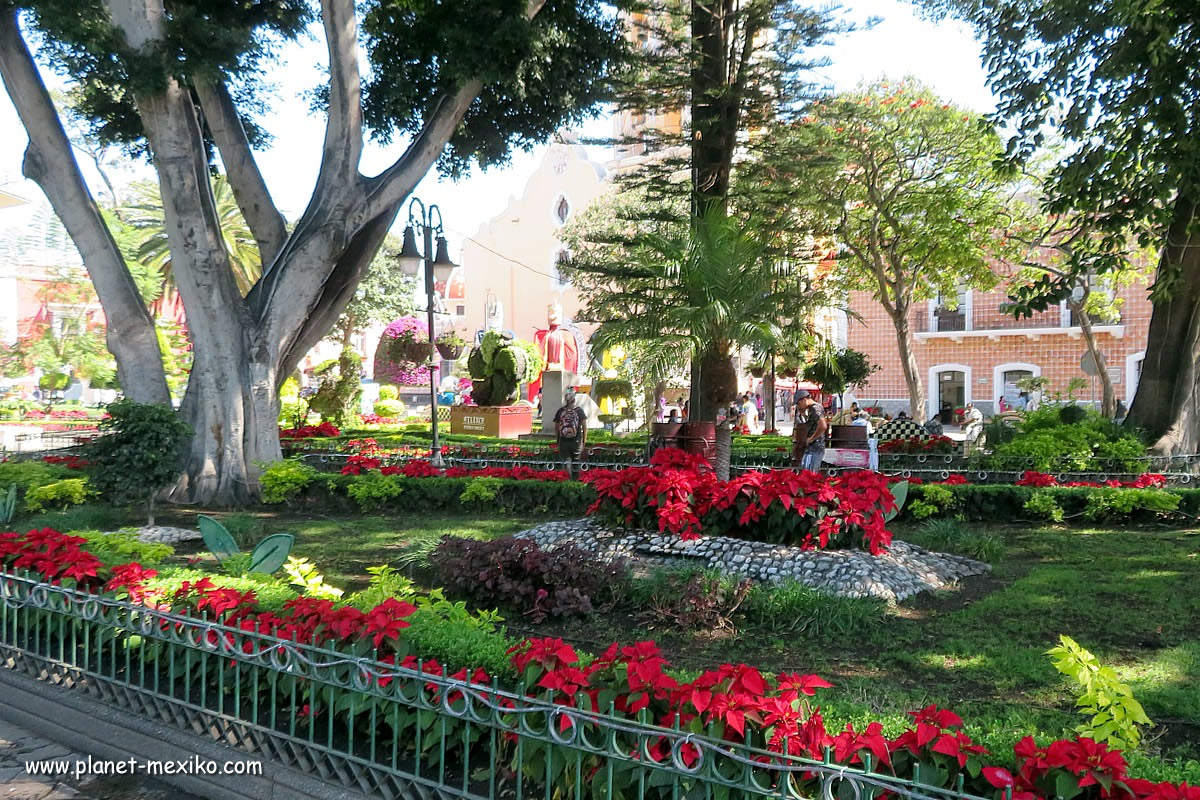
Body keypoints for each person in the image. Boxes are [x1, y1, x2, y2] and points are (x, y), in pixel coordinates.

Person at [554, 390, 587, 479]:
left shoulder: (560, 411)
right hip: (576, 441)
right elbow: (584, 427)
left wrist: (557, 440)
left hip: (563, 441)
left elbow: (556, 428)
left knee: (565, 461)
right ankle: (576, 481)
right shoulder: (579, 411)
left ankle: (567, 479)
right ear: (574, 400)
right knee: (576, 461)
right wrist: (584, 441)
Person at [792, 390, 827, 472]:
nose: (798, 406)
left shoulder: (815, 409)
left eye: (799, 403)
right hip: (813, 447)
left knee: (809, 473)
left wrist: (812, 438)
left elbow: (823, 426)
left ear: (804, 400)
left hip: (815, 447)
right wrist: (803, 413)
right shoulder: (813, 408)